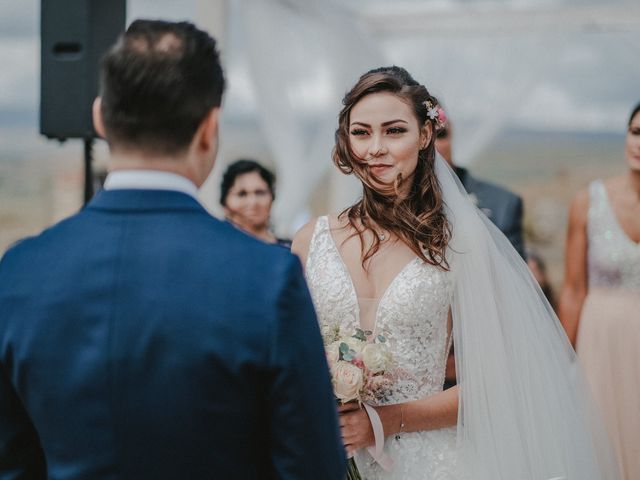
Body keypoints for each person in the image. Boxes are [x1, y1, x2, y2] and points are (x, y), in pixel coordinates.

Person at [0, 20, 345, 479]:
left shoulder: (21, 270)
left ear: (100, 117)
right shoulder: (267, 277)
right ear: (210, 128)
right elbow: (312, 467)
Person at [293, 66, 618, 479]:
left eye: (394, 131)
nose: (375, 148)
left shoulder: (461, 245)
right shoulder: (311, 240)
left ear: (425, 136)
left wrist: (386, 420)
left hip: (425, 463)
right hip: (318, 455)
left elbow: (499, 383)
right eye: (361, 133)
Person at [559, 103, 640, 480]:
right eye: (636, 132)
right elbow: (574, 289)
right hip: (600, 344)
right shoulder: (588, 202)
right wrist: (560, 362)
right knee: (598, 443)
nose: (639, 143)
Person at [434, 115, 525, 259]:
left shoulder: (503, 203)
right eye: (422, 135)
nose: (433, 145)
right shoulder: (391, 209)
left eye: (440, 134)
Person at [220, 159, 291, 248]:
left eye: (260, 193)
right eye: (242, 194)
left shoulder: (289, 251)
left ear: (272, 197)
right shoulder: (215, 249)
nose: (253, 202)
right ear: (225, 202)